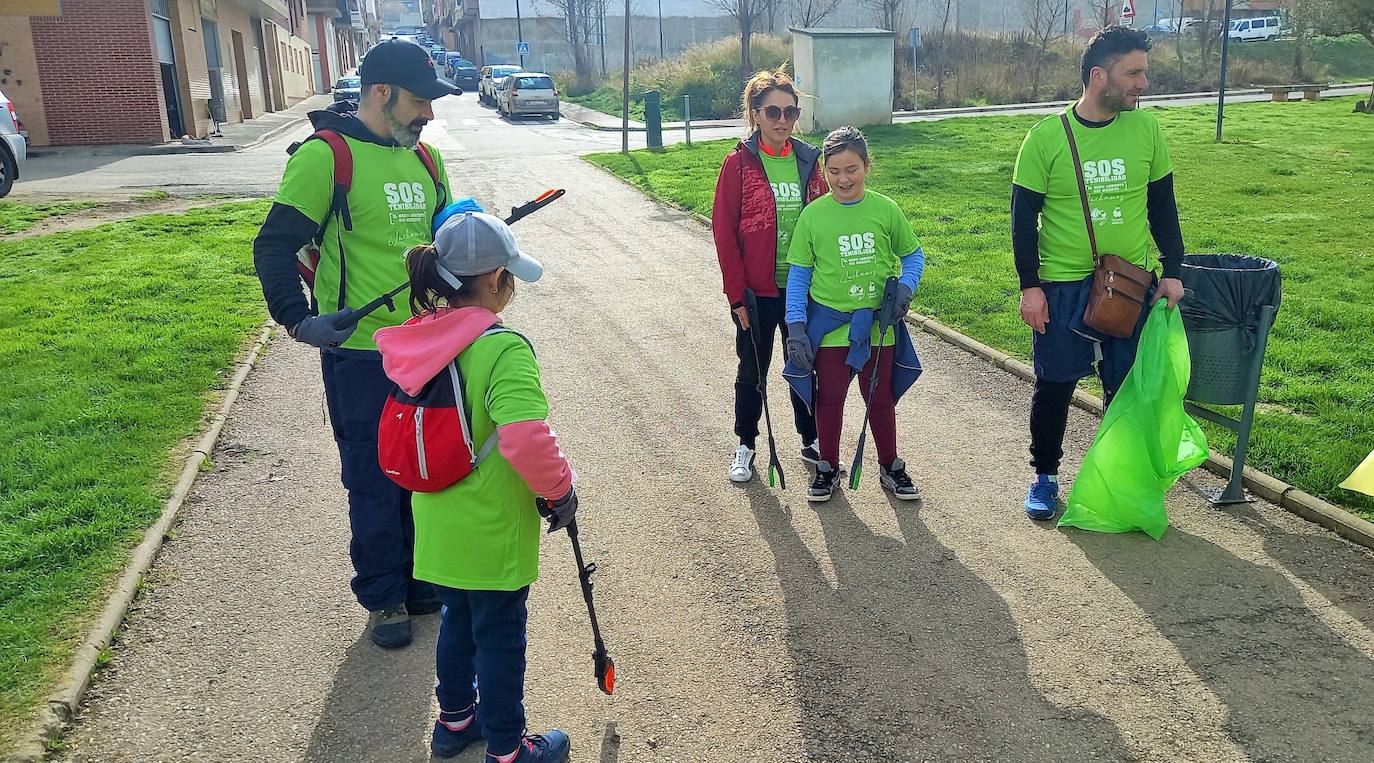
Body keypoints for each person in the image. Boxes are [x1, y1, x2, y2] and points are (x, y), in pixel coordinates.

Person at [252, 39, 460, 649]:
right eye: (420, 101)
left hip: (428, 350)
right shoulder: (327, 157)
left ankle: (422, 581)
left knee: (426, 469)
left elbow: (442, 247)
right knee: (373, 476)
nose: (428, 114)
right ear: (380, 93)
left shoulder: (428, 161)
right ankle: (384, 595)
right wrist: (298, 319)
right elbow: (273, 244)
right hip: (362, 353)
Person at [374, 212, 575, 763]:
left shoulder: (420, 342)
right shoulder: (502, 349)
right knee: (502, 637)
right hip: (492, 529)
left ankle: (455, 722)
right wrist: (561, 490)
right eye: (509, 274)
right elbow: (525, 439)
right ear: (492, 279)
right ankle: (509, 749)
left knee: (455, 622)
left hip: (437, 523)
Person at [1011, 26, 1186, 521]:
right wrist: (1031, 287)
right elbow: (1023, 221)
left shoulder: (1147, 130)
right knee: (1056, 383)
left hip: (1131, 285)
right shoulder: (1044, 139)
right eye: (1133, 73)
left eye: (1143, 73)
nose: (1143, 84)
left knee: (1126, 385)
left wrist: (1172, 271)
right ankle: (1045, 477)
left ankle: (1118, 479)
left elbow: (1163, 207)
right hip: (1064, 285)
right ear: (1097, 76)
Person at [782, 126, 926, 503]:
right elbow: (799, 273)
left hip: (878, 326)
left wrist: (906, 288)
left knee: (879, 398)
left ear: (867, 166)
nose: (843, 179)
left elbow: (913, 254)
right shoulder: (813, 216)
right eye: (834, 171)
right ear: (824, 171)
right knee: (829, 397)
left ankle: (890, 464)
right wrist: (796, 324)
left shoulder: (885, 210)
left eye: (852, 169)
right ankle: (827, 467)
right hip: (829, 327)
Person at [711, 66, 825, 483]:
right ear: (755, 114)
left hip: (805, 291)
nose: (782, 121)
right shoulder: (739, 164)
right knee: (752, 370)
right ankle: (745, 443)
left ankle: (811, 440)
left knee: (804, 365)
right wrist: (736, 296)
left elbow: (827, 226)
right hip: (757, 294)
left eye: (790, 112)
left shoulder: (811, 162)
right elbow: (724, 233)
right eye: (773, 111)